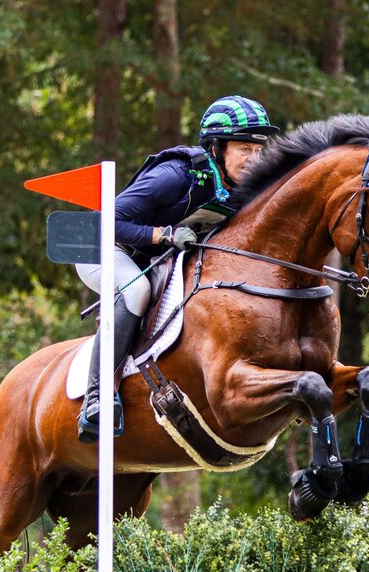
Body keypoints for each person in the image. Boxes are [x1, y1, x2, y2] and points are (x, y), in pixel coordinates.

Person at [76, 95, 279, 443]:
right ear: (216, 148)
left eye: (258, 149)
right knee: (136, 291)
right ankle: (96, 398)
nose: (253, 159)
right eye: (244, 148)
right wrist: (163, 234)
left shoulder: (241, 188)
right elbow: (104, 221)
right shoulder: (175, 176)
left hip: (156, 258)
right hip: (106, 248)